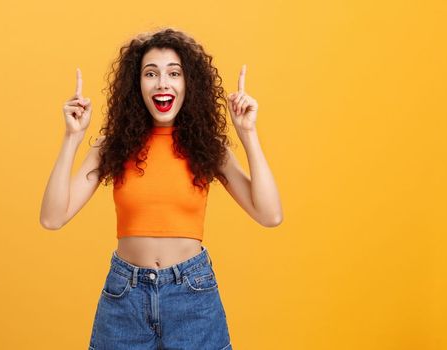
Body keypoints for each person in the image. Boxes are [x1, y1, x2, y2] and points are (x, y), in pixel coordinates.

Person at [39, 28, 282, 350]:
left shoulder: (207, 148)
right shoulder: (113, 147)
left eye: (174, 73)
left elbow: (270, 215)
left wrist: (248, 133)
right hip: (125, 295)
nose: (162, 83)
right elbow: (52, 218)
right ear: (136, 86)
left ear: (188, 84)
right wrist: (72, 138)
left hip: (193, 295)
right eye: (150, 73)